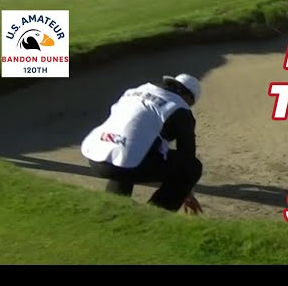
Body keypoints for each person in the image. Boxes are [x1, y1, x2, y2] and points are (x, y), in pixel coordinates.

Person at [80, 73, 203, 214]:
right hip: (123, 164)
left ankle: (112, 208)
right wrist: (187, 192)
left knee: (133, 150)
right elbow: (187, 154)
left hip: (96, 156)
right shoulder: (180, 107)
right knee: (192, 168)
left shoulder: (134, 91)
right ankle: (153, 215)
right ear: (188, 97)